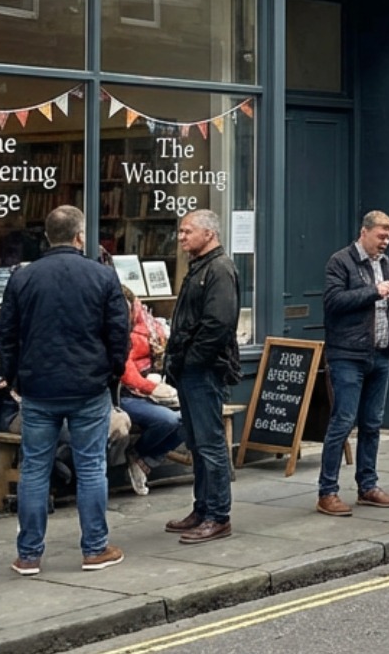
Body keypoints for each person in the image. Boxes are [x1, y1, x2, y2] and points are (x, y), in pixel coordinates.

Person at [0, 205, 131, 575]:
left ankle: (28, 555)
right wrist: (113, 372)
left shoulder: (23, 277)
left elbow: (6, 334)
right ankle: (94, 549)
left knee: (34, 470)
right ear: (79, 237)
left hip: (38, 387)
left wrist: (11, 376)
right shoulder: (102, 276)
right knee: (91, 467)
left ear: (46, 237)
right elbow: (117, 333)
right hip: (88, 385)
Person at [315, 211, 389, 517]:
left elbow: (384, 309)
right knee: (343, 422)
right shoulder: (340, 261)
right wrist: (375, 292)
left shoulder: (384, 263)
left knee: (372, 423)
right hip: (348, 355)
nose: (385, 243)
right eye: (381, 237)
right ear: (364, 232)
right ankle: (327, 492)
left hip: (381, 352)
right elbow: (333, 302)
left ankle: (368, 485)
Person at [163, 209, 240, 544]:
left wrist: (192, 361)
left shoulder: (219, 269)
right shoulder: (200, 267)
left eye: (187, 231)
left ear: (209, 234)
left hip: (204, 371)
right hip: (189, 370)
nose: (181, 237)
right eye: (180, 232)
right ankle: (202, 508)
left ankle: (218, 516)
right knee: (196, 442)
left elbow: (218, 325)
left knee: (210, 445)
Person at [119, 289, 183, 497]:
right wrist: (153, 388)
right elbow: (126, 371)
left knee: (190, 419)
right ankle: (137, 453)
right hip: (127, 395)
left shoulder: (149, 326)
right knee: (169, 421)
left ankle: (143, 460)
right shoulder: (119, 331)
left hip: (153, 390)